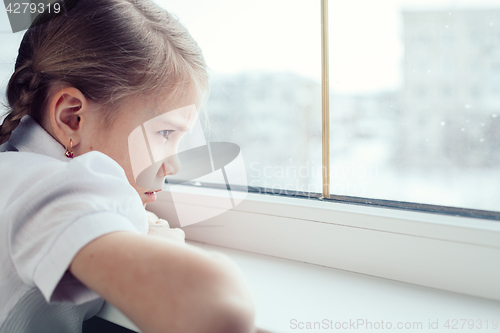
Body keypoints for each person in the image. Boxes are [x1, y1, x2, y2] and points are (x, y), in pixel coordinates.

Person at [0, 0, 258, 332]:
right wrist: (155, 245)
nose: (173, 165)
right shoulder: (45, 190)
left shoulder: (17, 171)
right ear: (71, 117)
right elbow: (221, 309)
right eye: (165, 132)